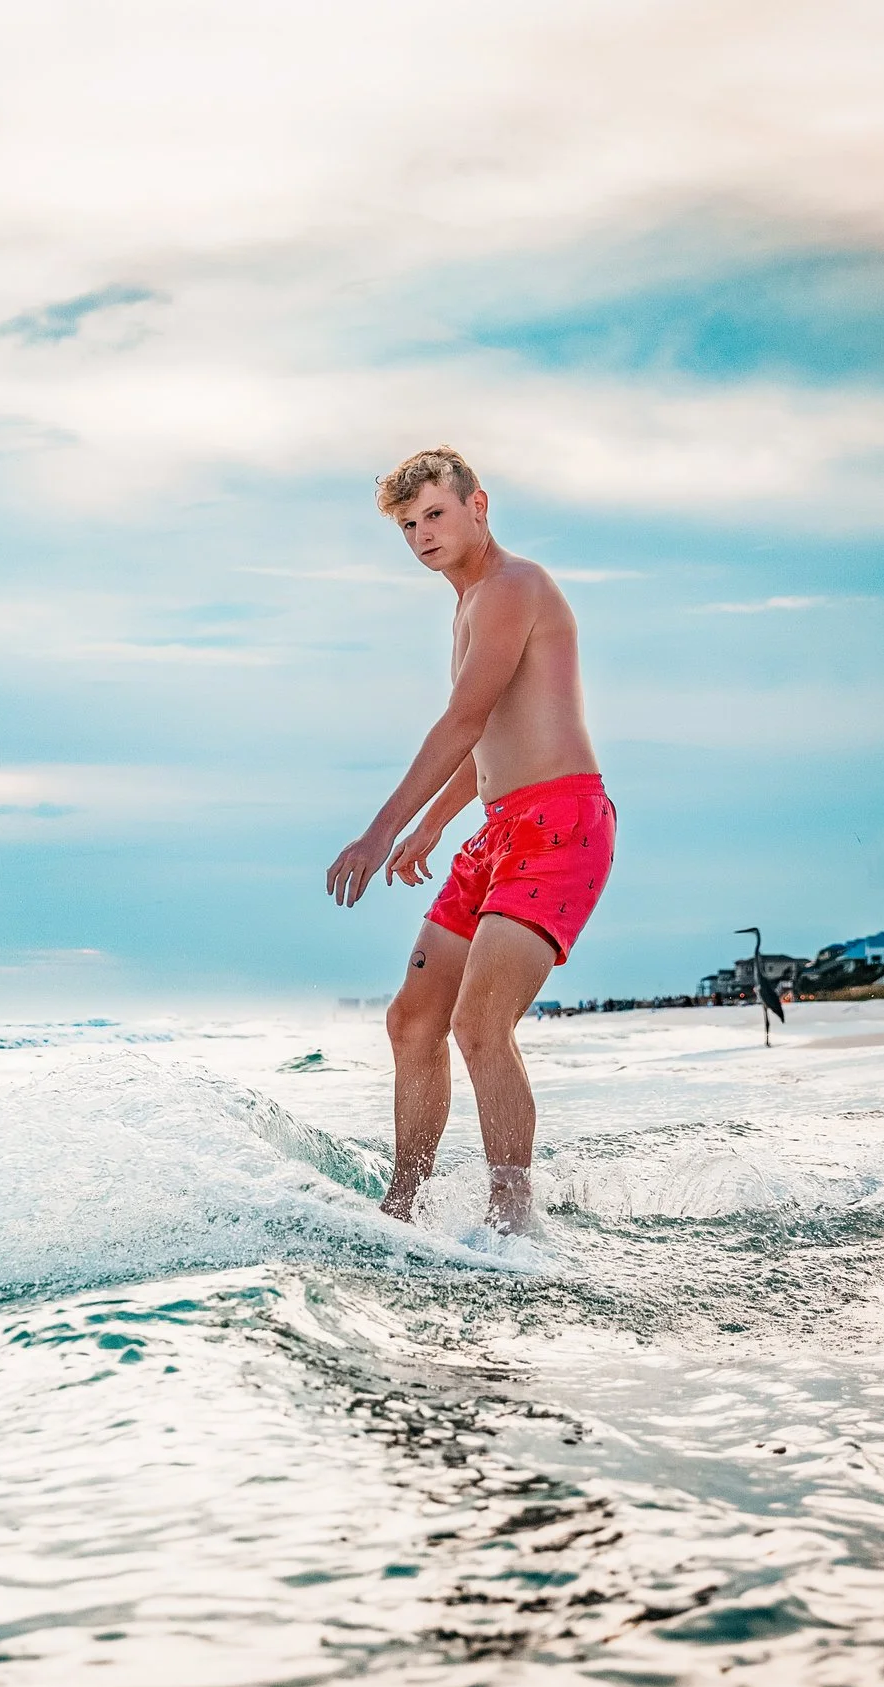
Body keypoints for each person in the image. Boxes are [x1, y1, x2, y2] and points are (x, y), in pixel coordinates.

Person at [325, 446, 613, 1234]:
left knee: (480, 1025)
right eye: (409, 523)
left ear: (477, 505)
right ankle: (403, 1206)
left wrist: (378, 834)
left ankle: (514, 1223)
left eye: (435, 514)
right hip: (502, 829)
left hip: (561, 825)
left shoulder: (514, 587)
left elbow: (462, 719)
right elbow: (489, 736)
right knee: (413, 1018)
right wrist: (433, 823)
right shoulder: (471, 602)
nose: (422, 533)